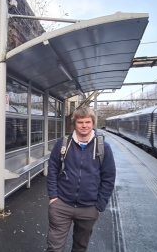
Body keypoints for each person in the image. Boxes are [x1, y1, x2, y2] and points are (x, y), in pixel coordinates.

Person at [46, 107, 116, 252]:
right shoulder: (63, 143)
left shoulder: (103, 147)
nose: (84, 125)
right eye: (80, 122)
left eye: (88, 122)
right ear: (74, 124)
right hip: (62, 204)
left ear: (93, 123)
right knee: (54, 248)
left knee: (80, 247)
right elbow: (52, 169)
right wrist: (53, 197)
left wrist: (100, 205)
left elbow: (108, 177)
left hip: (89, 207)